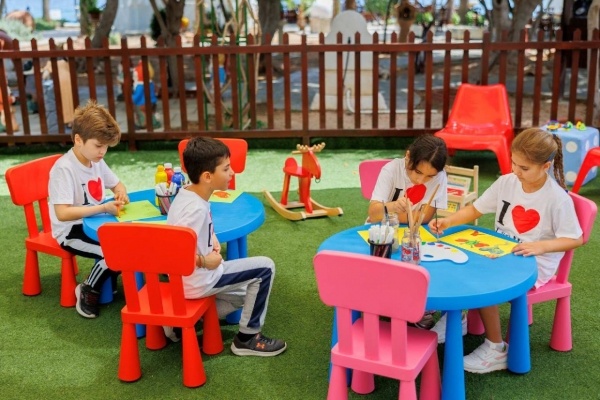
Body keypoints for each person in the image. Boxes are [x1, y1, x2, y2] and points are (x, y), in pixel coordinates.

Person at [428, 127, 583, 374]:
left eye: (524, 168)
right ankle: (458, 319)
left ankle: (496, 349)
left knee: (483, 281)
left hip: (533, 263)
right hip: (500, 252)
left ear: (545, 166)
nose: (516, 171)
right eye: (514, 163)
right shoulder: (507, 182)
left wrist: (540, 246)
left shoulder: (557, 199)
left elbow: (575, 238)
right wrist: (448, 221)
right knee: (453, 258)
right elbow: (476, 209)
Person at [166, 137, 287, 357]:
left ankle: (183, 323)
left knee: (247, 293)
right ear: (207, 176)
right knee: (265, 268)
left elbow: (186, 236)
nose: (232, 173)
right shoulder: (195, 210)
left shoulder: (186, 194)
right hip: (198, 279)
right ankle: (248, 338)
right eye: (226, 169)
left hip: (185, 281)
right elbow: (174, 253)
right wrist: (205, 260)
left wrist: (210, 239)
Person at [49, 100, 129, 319]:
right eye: (98, 146)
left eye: (106, 147)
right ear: (78, 140)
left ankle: (109, 277)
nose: (103, 152)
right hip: (70, 230)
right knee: (112, 252)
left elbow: (118, 184)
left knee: (129, 243)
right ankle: (87, 289)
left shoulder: (96, 160)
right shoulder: (64, 169)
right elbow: (62, 214)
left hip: (97, 222)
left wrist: (120, 193)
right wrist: (102, 207)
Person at [368, 134, 449, 330]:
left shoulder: (440, 177)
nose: (421, 180)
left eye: (429, 176)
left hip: (415, 234)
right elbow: (373, 213)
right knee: (383, 264)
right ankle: (388, 304)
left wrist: (391, 212)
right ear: (408, 157)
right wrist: (393, 206)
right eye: (417, 172)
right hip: (383, 234)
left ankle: (414, 305)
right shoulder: (391, 169)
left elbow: (426, 216)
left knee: (423, 262)